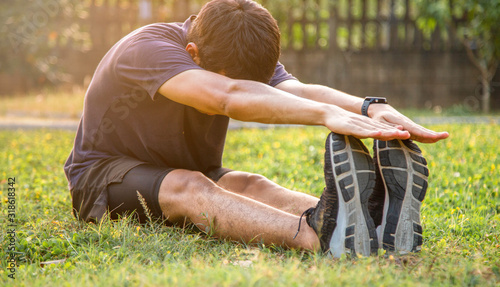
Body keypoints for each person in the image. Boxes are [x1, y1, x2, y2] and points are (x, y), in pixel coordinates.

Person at [64, 0, 448, 257]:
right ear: (193, 55)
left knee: (252, 184)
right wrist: (324, 116)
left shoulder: (234, 47)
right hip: (100, 177)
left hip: (184, 166)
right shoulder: (148, 48)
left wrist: (371, 107)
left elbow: (297, 90)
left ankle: (372, 219)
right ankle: (320, 235)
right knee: (190, 187)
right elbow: (226, 96)